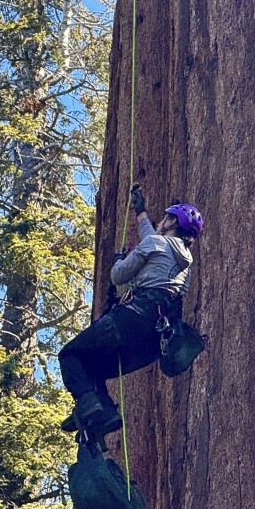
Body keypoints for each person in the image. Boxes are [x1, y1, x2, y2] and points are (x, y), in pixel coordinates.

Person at [59, 183, 204, 437]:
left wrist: (118, 261)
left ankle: (88, 402)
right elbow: (153, 240)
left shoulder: (156, 243)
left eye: (165, 218)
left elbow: (118, 276)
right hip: (153, 341)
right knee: (91, 367)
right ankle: (103, 413)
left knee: (70, 355)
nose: (161, 222)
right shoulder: (185, 263)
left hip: (134, 317)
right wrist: (141, 212)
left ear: (170, 223)